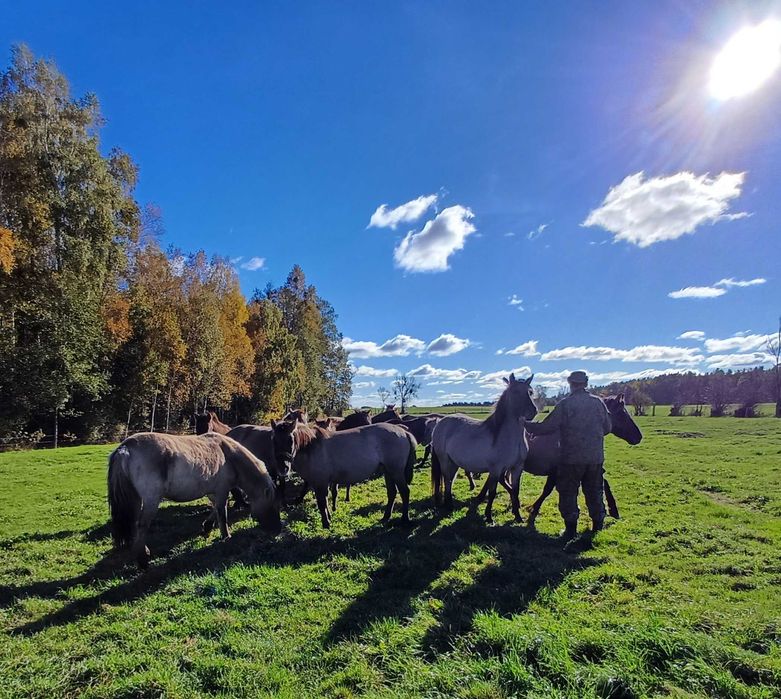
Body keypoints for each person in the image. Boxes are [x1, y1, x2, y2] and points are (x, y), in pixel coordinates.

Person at [524, 370, 611, 542]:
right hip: (595, 458)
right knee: (594, 492)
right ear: (586, 384)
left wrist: (526, 425)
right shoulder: (598, 403)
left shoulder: (566, 404)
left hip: (570, 459)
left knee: (568, 493)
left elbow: (547, 427)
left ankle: (570, 531)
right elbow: (607, 428)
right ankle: (597, 527)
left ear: (571, 384)